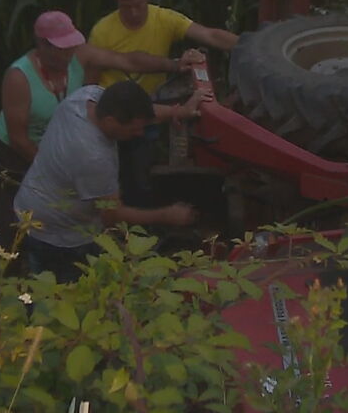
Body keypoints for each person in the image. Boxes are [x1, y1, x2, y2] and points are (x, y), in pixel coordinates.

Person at [0, 10, 203, 249]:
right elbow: (19, 139)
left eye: (70, 47)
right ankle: (4, 266)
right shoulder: (19, 78)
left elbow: (129, 62)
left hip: (63, 150)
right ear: (41, 45)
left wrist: (175, 68)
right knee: (13, 218)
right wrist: (55, 167)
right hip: (21, 153)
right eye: (61, 49)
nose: (67, 54)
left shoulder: (85, 86)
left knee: (60, 203)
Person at [13, 80, 211, 283]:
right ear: (110, 121)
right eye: (134, 130)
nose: (140, 133)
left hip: (33, 203)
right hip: (56, 233)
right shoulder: (93, 156)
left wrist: (177, 112)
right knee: (63, 293)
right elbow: (111, 214)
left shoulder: (85, 97)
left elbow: (139, 112)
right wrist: (168, 215)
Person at [87, 0, 238, 94]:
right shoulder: (101, 31)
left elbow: (209, 35)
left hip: (154, 105)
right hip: (114, 111)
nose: (133, 13)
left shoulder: (165, 19)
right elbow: (90, 83)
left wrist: (247, 44)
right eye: (126, 7)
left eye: (138, 5)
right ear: (117, 0)